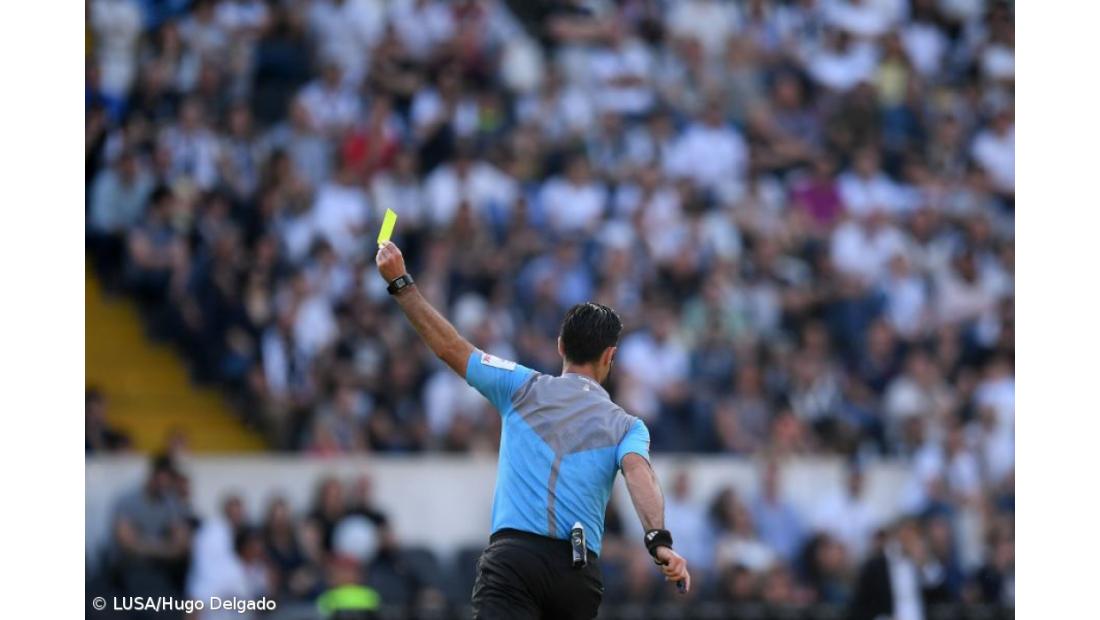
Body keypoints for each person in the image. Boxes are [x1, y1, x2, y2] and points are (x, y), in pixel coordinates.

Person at [374, 240, 691, 619]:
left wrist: (401, 283)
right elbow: (640, 475)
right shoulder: (629, 426)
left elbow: (450, 348)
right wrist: (658, 541)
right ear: (610, 356)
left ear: (560, 346)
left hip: (514, 562)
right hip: (576, 573)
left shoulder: (519, 386)